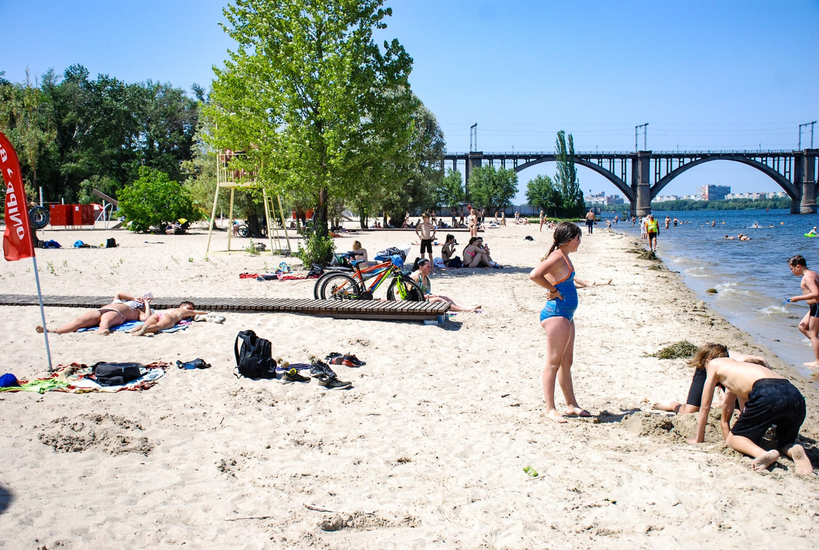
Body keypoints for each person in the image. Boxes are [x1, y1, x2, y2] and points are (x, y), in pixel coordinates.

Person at [529, 222, 612, 423]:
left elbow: (565, 281)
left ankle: (571, 405)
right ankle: (549, 408)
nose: (579, 242)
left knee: (567, 362)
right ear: (568, 240)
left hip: (566, 315)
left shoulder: (564, 256)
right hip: (556, 314)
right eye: (578, 238)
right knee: (553, 363)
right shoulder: (557, 256)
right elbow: (534, 275)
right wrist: (552, 290)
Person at [690, 343, 812, 474]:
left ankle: (762, 454)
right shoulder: (742, 369)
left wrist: (699, 438)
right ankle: (794, 449)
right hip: (794, 395)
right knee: (783, 442)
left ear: (708, 361)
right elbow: (744, 411)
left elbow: (705, 406)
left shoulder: (714, 364)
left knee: (734, 439)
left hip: (766, 391)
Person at [653, 349, 771, 415]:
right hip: (710, 366)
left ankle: (723, 400)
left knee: (742, 409)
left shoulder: (756, 365)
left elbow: (763, 362)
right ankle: (672, 404)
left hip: (737, 374)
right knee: (690, 411)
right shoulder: (709, 366)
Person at [36, 292, 153, 336]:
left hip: (117, 313)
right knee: (78, 322)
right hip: (101, 310)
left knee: (106, 321)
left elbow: (146, 318)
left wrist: (147, 305)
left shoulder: (137, 312)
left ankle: (102, 330)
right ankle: (54, 331)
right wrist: (134, 297)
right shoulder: (118, 301)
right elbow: (119, 294)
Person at [411, 259, 481, 312]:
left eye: (430, 266)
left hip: (424, 298)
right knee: (439, 299)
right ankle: (464, 310)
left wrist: (430, 295)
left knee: (446, 297)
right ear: (421, 267)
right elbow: (413, 295)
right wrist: (430, 296)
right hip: (418, 301)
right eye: (427, 267)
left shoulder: (424, 276)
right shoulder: (416, 277)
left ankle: (466, 307)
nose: (430, 268)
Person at [788, 254, 819, 368]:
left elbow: (816, 293)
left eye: (792, 268)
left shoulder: (808, 276)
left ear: (798, 266)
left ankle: (818, 362)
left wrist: (798, 298)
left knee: (813, 334)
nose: (792, 271)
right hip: (814, 307)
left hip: (817, 305)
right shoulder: (812, 273)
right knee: (802, 326)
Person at [130, 301, 208, 336]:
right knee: (158, 326)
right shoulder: (183, 311)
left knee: (146, 323)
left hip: (159, 314)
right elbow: (196, 313)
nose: (190, 310)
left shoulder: (172, 309)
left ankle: (135, 329)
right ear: (182, 305)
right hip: (169, 318)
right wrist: (206, 313)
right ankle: (145, 330)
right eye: (189, 308)